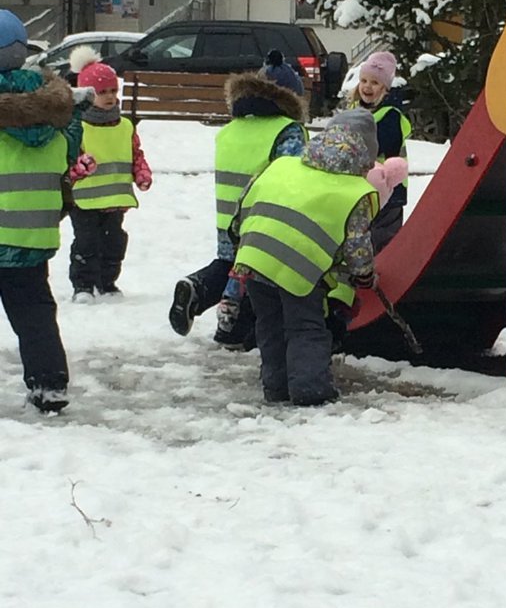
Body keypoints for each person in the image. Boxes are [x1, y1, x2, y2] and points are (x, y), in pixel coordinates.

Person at [231, 108, 379, 407]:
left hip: (255, 255)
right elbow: (357, 245)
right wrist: (363, 274)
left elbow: (244, 203)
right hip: (300, 270)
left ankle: (276, 386)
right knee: (306, 328)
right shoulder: (356, 190)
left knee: (269, 324)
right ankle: (310, 391)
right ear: (366, 155)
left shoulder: (283, 165)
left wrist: (240, 240)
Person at [168, 51, 308, 342]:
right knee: (255, 276)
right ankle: (236, 332)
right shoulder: (287, 130)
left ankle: (198, 287)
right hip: (264, 219)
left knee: (228, 265)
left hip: (227, 216)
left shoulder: (231, 130)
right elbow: (292, 175)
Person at [0, 10, 94, 413]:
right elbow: (69, 155)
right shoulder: (61, 117)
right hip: (33, 236)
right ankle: (50, 383)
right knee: (35, 311)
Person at [67, 55, 152, 300]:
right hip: (84, 201)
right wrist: (79, 167)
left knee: (114, 242)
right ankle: (83, 285)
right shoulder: (78, 125)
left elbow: (135, 153)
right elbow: (66, 162)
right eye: (102, 91)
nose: (110, 96)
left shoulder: (125, 126)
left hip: (115, 199)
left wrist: (141, 173)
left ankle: (107, 282)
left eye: (113, 90)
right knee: (87, 243)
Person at [344, 50, 411, 250]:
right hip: (360, 188)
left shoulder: (390, 116)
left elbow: (382, 148)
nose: (367, 86)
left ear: (385, 88)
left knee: (382, 239)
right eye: (364, 80)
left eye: (374, 83)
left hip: (389, 189)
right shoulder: (355, 110)